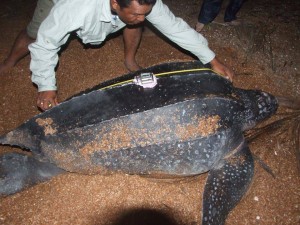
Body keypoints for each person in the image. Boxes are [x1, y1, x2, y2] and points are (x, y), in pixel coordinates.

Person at [3, 0, 235, 111]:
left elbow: (176, 28)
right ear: (115, 3)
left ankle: (129, 59)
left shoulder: (141, 5)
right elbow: (46, 43)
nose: (143, 18)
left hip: (110, 11)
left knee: (134, 24)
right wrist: (45, 85)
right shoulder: (77, 7)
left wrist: (211, 59)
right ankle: (8, 62)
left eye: (146, 13)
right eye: (136, 13)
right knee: (35, 34)